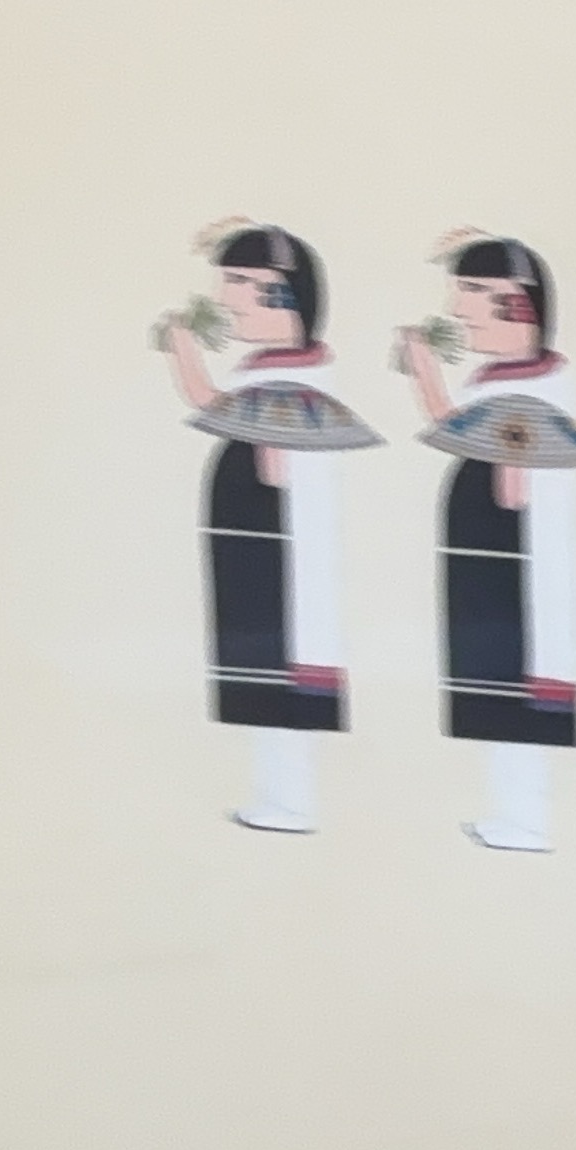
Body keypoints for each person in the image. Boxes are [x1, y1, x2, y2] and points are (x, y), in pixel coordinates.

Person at [157, 221, 379, 834]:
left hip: (275, 548)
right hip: (261, 540)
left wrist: (184, 352)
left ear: (282, 294)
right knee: (263, 677)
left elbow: (264, 453)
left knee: (279, 678)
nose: (227, 298)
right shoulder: (273, 368)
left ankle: (291, 803)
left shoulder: (289, 377)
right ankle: (281, 798)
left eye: (240, 282)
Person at [399, 232, 576, 854]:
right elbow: (464, 431)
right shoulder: (504, 378)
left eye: (472, 291)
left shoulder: (528, 388)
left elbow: (508, 482)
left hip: (513, 565)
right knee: (497, 696)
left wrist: (426, 373)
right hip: (495, 559)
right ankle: (511, 815)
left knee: (515, 699)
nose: (458, 309)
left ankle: (525, 821)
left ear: (518, 303)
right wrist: (427, 373)